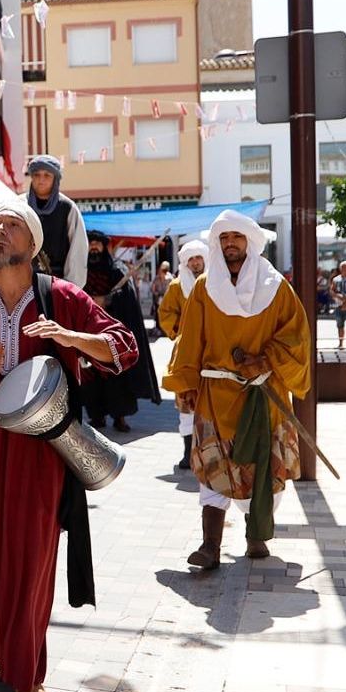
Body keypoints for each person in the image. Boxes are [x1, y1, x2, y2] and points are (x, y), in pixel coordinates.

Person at [0, 199, 136, 692]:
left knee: (30, 554)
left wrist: (69, 337)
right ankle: (5, 656)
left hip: (42, 447)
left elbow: (123, 346)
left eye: (10, 227)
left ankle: (29, 675)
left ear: (31, 244)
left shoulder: (61, 297)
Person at [163, 211, 311, 567]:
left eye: (237, 237)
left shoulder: (276, 287)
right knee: (213, 468)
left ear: (250, 241)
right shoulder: (204, 288)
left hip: (264, 395)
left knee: (263, 468)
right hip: (216, 395)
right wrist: (184, 383)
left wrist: (265, 359)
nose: (230, 244)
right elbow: (190, 339)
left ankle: (256, 537)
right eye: (224, 238)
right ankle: (210, 546)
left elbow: (296, 338)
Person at [80, 230, 161, 432]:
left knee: (117, 376)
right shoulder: (80, 270)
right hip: (89, 333)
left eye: (98, 243)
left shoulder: (116, 270)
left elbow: (126, 300)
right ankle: (96, 416)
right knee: (91, 377)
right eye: (91, 243)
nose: (94, 247)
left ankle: (120, 417)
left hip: (111, 333)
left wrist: (106, 300)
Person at [158, 239, 208, 471]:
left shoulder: (219, 282)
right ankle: (188, 453)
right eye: (192, 259)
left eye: (199, 258)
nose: (196, 262)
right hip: (186, 354)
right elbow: (166, 313)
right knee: (186, 404)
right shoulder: (177, 287)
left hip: (213, 350)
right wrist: (180, 331)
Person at [24, 155, 89, 286]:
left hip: (58, 283)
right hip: (23, 282)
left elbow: (77, 250)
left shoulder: (68, 208)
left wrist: (71, 287)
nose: (41, 180)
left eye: (47, 175)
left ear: (55, 179)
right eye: (37, 175)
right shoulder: (20, 205)